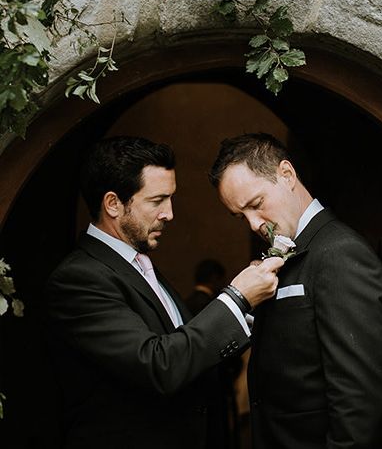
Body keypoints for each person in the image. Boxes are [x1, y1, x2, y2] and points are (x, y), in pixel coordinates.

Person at [45, 136, 283, 449]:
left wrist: (251, 308)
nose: (169, 214)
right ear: (113, 204)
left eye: (170, 199)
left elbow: (190, 356)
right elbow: (158, 365)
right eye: (157, 201)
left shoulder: (141, 266)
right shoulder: (79, 279)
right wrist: (236, 297)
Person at [209, 133, 382, 449]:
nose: (253, 224)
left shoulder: (340, 253)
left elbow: (358, 400)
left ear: (287, 175)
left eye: (256, 204)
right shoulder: (293, 252)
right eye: (241, 216)